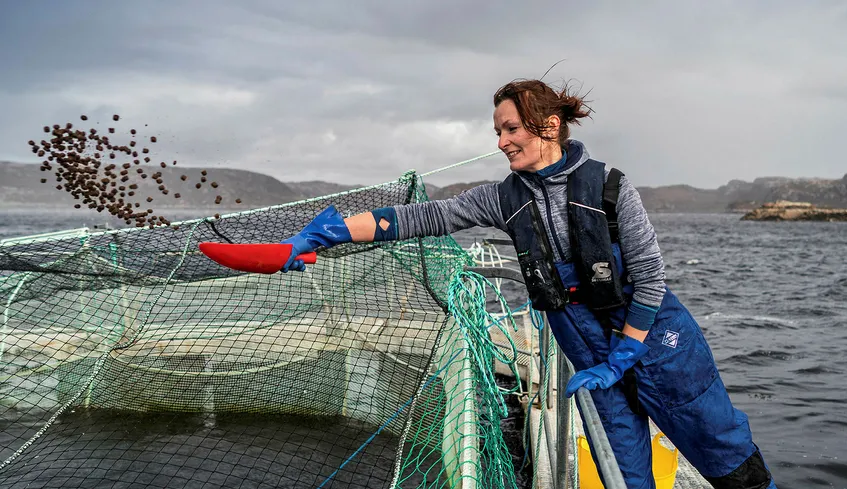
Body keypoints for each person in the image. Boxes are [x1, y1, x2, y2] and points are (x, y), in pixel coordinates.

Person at [279, 79, 778, 489]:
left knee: (728, 460)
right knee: (625, 478)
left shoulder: (611, 188)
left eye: (511, 128)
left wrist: (625, 356)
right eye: (498, 131)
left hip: (661, 350)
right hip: (592, 366)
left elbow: (649, 282)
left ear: (549, 126)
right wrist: (330, 232)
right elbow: (425, 216)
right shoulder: (503, 199)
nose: (501, 142)